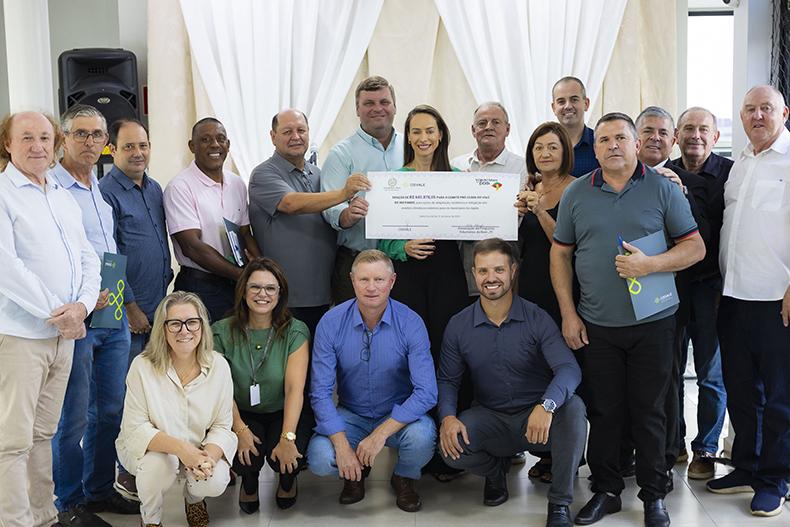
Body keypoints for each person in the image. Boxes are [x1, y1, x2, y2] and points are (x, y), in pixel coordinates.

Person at [551, 112, 705, 527]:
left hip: (654, 323)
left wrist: (651, 264)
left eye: (621, 137)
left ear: (637, 144)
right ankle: (606, 490)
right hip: (597, 324)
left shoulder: (663, 188)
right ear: (595, 148)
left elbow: (695, 248)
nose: (612, 145)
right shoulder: (577, 193)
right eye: (603, 140)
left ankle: (654, 495)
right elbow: (560, 254)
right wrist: (568, 313)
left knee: (650, 411)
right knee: (604, 412)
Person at [438, 238, 586, 527]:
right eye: (483, 271)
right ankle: (494, 471)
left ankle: (559, 503)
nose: (491, 278)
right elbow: (447, 380)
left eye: (499, 270)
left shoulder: (536, 317)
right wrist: (447, 417)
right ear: (473, 273)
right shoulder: (458, 325)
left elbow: (569, 369)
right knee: (449, 449)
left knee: (574, 408)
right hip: (491, 417)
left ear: (513, 270)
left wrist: (547, 404)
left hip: (537, 417)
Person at [0, 111, 100, 527]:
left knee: (44, 435)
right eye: (26, 137)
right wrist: (61, 314)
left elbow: (88, 257)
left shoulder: (60, 193)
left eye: (44, 137)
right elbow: (7, 268)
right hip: (21, 336)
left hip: (65, 335)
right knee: (12, 441)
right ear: (7, 144)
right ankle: (15, 521)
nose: (37, 146)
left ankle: (43, 517)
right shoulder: (3, 194)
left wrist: (83, 307)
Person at [50, 105, 137, 526]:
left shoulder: (98, 189)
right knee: (72, 416)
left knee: (111, 410)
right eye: (80, 133)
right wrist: (83, 298)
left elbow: (108, 252)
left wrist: (118, 300)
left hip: (112, 309)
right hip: (81, 314)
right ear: (63, 139)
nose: (90, 141)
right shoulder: (52, 189)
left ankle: (99, 490)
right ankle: (68, 503)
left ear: (106, 142)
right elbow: (52, 258)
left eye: (97, 134)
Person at [707, 85, 790, 517]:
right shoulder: (739, 162)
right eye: (750, 109)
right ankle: (747, 466)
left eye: (766, 109)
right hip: (734, 297)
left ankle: (775, 479)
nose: (758, 116)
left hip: (777, 299)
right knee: (741, 391)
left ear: (784, 113)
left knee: (780, 397)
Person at [307, 250, 437, 512]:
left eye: (379, 279)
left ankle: (403, 476)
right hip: (351, 414)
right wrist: (342, 446)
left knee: (423, 437)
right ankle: (353, 472)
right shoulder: (330, 323)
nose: (371, 287)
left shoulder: (411, 322)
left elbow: (426, 392)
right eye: (364, 279)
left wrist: (380, 434)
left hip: (396, 414)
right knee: (319, 458)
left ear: (392, 281)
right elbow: (319, 392)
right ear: (352, 280)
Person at [635, 106, 710, 488]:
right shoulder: (614, 177)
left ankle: (666, 455)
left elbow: (703, 243)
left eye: (663, 132)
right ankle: (630, 452)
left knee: (667, 378)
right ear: (636, 138)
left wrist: (680, 194)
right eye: (648, 130)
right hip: (619, 299)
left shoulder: (692, 183)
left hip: (670, 298)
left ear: (673, 139)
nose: (655, 138)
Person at [99, 118, 173, 502]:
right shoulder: (106, 192)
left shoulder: (155, 187)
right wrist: (129, 305)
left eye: (143, 145)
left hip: (157, 307)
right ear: (112, 149)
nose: (138, 153)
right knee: (122, 398)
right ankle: (123, 473)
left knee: (151, 395)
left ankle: (145, 466)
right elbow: (109, 256)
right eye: (128, 146)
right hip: (126, 313)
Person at [116, 291, 237, 527]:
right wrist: (183, 450)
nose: (184, 330)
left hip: (199, 447)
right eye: (175, 324)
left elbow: (222, 425)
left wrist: (206, 460)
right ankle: (150, 518)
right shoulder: (142, 366)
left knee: (216, 479)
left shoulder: (219, 366)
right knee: (159, 466)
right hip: (154, 451)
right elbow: (136, 428)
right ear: (163, 328)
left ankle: (194, 499)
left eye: (192, 322)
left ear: (202, 326)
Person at [249, 109, 370, 341]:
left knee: (321, 360)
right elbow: (292, 204)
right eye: (287, 131)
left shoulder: (318, 174)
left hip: (323, 296)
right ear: (273, 137)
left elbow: (332, 218)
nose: (296, 136)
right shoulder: (263, 174)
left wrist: (349, 212)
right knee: (287, 362)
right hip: (283, 298)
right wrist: (343, 193)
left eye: (301, 130)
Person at [211, 257, 314, 513]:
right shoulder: (220, 332)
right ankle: (249, 482)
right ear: (243, 291)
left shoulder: (295, 331)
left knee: (286, 456)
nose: (262, 294)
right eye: (255, 287)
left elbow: (294, 389)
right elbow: (219, 390)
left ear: (280, 294)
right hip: (240, 412)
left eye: (270, 288)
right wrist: (239, 429)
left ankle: (288, 479)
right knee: (246, 457)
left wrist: (288, 437)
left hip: (284, 411)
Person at [379, 105, 468, 361]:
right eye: (416, 132)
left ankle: (448, 389)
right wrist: (403, 247)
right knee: (409, 343)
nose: (423, 138)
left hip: (448, 271)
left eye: (429, 131)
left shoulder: (459, 178)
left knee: (448, 342)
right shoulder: (392, 181)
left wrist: (477, 195)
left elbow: (473, 233)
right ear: (408, 136)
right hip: (408, 273)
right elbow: (382, 242)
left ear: (440, 135)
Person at [516, 122, 578, 484]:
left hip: (562, 289)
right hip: (529, 288)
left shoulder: (576, 189)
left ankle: (568, 453)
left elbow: (566, 241)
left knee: (563, 368)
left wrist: (539, 210)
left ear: (565, 151)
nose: (545, 153)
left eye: (552, 147)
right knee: (537, 369)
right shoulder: (530, 187)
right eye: (538, 147)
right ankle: (545, 453)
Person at [672, 106, 732, 475]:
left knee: (711, 374)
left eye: (704, 129)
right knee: (671, 371)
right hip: (672, 285)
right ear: (677, 136)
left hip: (713, 286)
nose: (696, 135)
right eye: (688, 128)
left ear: (715, 136)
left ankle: (706, 449)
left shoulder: (731, 174)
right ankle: (674, 442)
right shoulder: (663, 172)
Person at [163, 117, 261, 323]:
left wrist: (260, 270)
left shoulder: (237, 183)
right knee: (204, 344)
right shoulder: (179, 187)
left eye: (221, 139)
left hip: (236, 286)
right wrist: (241, 275)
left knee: (236, 342)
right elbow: (192, 247)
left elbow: (244, 233)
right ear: (192, 146)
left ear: (228, 145)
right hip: (200, 287)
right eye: (206, 139)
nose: (215, 144)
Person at [321, 76, 404, 304]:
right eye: (369, 103)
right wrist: (347, 214)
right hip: (356, 261)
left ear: (394, 106)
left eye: (384, 102)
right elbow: (330, 207)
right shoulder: (340, 154)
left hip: (405, 259)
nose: (378, 108)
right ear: (357, 109)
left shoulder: (413, 146)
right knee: (354, 324)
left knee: (403, 322)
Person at [450, 101, 527, 302]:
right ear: (473, 130)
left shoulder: (522, 168)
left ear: (507, 129)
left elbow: (518, 217)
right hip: (461, 261)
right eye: (482, 123)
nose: (489, 127)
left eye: (496, 122)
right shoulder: (456, 165)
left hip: (503, 258)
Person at [551, 76, 599, 177]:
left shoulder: (601, 143)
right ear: (554, 108)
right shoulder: (544, 147)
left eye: (574, 99)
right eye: (561, 101)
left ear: (586, 104)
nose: (568, 106)